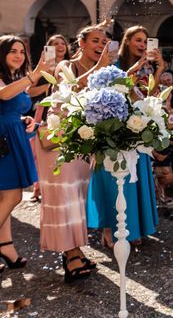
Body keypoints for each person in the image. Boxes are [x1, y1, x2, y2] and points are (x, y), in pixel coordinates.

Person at [35, 25, 112, 282]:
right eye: (95, 40)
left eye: (104, 41)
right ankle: (71, 254)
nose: (101, 45)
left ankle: (74, 248)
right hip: (58, 141)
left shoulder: (100, 70)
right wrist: (100, 67)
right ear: (81, 43)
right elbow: (71, 88)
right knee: (64, 197)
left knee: (78, 198)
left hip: (81, 140)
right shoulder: (64, 65)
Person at [86, 25, 163, 248]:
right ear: (127, 41)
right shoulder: (114, 63)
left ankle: (134, 228)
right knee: (115, 180)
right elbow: (114, 86)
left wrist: (159, 70)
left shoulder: (144, 67)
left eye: (145, 41)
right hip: (113, 130)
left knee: (133, 179)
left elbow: (149, 95)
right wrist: (136, 68)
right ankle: (110, 227)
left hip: (136, 129)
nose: (142, 45)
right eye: (138, 40)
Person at [0, 35, 48, 271]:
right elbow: (4, 95)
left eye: (22, 51)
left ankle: (6, 247)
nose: (19, 55)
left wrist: (24, 118)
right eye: (13, 51)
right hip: (3, 143)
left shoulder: (14, 77)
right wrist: (36, 73)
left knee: (3, 197)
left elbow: (10, 106)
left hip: (12, 137)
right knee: (12, 195)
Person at [28, 34, 71, 202]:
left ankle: (57, 186)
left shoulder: (71, 66)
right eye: (54, 44)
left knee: (59, 151)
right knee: (39, 152)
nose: (60, 47)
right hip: (41, 113)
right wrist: (49, 83)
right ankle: (38, 186)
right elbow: (29, 91)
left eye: (63, 43)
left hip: (64, 115)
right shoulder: (41, 69)